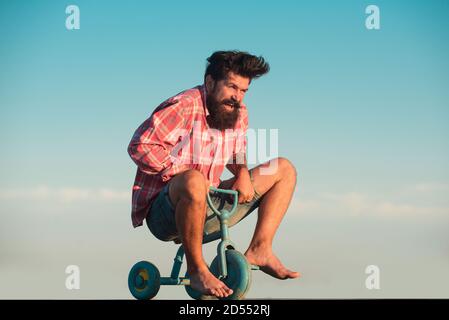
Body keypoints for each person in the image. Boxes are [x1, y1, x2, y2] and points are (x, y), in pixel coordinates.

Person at [128, 50, 299, 298]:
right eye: (232, 87)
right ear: (210, 82)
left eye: (243, 90)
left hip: (209, 202)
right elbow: (140, 146)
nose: (237, 97)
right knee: (194, 179)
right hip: (164, 212)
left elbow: (236, 150)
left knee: (284, 169)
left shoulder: (238, 111)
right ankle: (196, 271)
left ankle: (260, 249)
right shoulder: (185, 105)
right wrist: (183, 173)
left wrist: (241, 172)